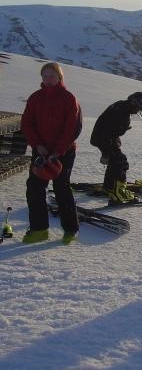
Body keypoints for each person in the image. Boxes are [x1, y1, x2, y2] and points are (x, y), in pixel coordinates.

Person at [21, 62, 82, 244]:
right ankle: (39, 230)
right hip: (41, 151)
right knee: (34, 188)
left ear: (60, 77)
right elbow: (27, 124)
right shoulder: (35, 98)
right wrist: (38, 145)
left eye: (52, 76)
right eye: (45, 76)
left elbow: (72, 129)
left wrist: (57, 151)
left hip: (63, 152)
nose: (48, 80)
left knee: (61, 188)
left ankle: (70, 230)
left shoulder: (69, 98)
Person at [90, 92, 142, 204]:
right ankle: (118, 193)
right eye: (140, 109)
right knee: (121, 162)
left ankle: (109, 187)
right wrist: (120, 133)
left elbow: (109, 125)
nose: (139, 112)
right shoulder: (122, 113)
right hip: (104, 138)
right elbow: (112, 129)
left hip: (102, 137)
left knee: (115, 161)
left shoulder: (121, 106)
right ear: (136, 104)